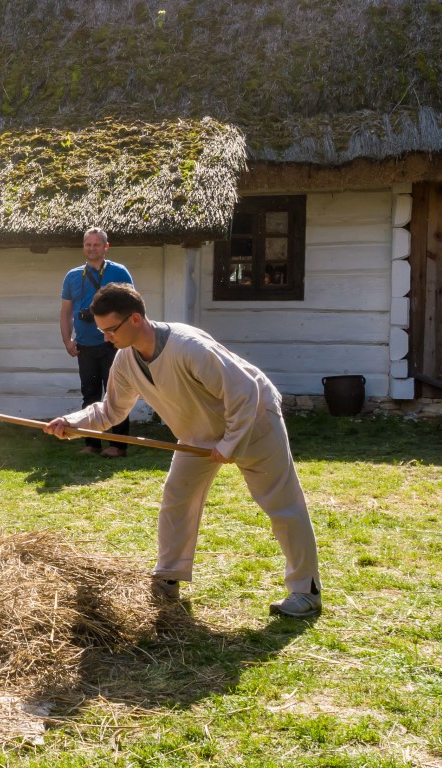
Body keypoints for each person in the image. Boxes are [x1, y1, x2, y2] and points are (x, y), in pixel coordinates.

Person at [44, 283, 322, 618]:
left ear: (135, 319)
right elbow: (109, 412)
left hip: (255, 420)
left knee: (282, 503)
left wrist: (229, 443)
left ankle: (306, 590)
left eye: (110, 329)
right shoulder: (125, 361)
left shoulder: (189, 347)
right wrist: (71, 423)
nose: (106, 338)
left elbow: (245, 392)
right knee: (177, 499)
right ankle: (168, 578)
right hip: (197, 434)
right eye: (101, 330)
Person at [60, 227, 135, 458]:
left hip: (114, 344)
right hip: (85, 345)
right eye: (88, 244)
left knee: (116, 395)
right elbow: (66, 312)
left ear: (106, 247)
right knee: (89, 395)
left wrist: (128, 338)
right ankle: (92, 443)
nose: (92, 249)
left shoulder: (119, 272)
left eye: (96, 244)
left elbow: (133, 306)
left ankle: (118, 445)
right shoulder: (73, 276)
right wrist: (67, 341)